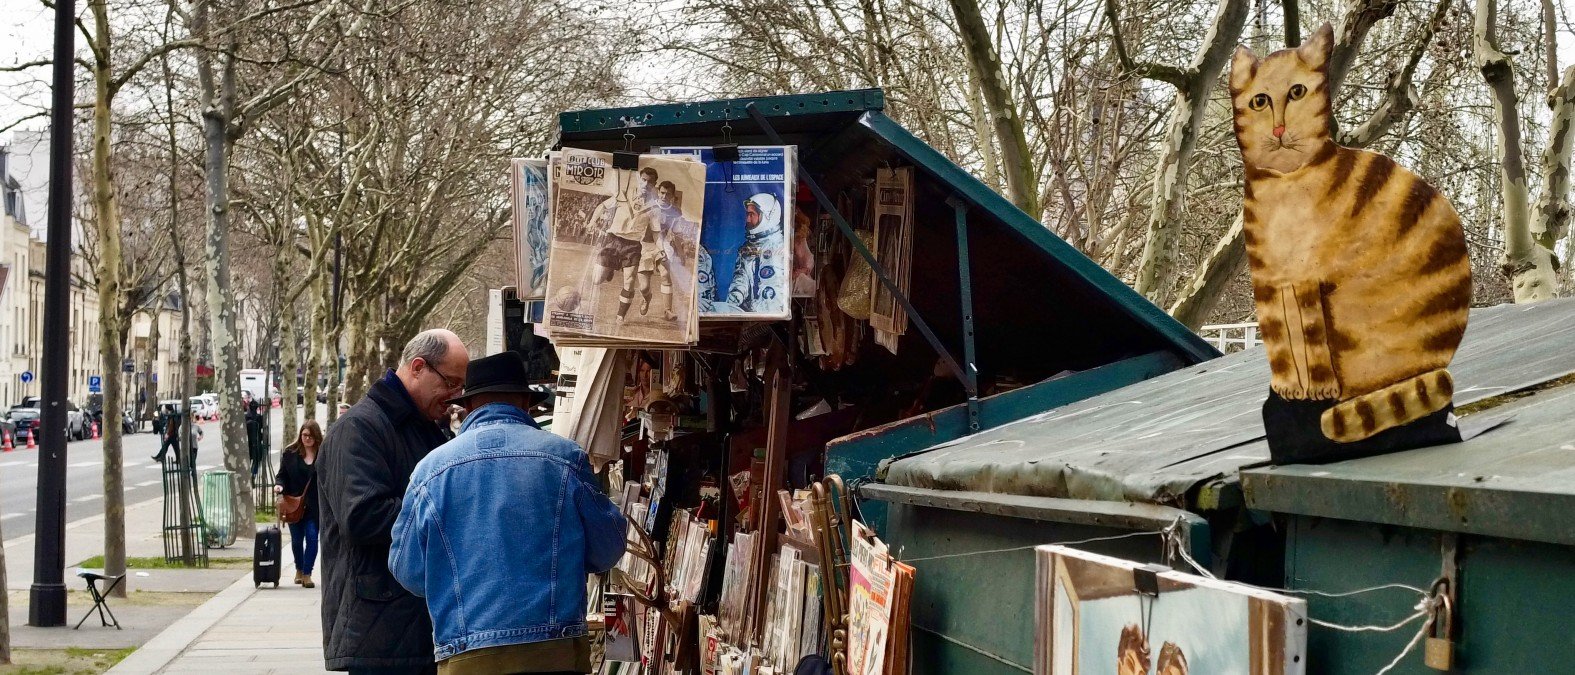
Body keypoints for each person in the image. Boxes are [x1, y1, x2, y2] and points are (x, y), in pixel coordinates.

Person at [390, 352, 627, 675]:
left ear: (469, 406)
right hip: (552, 653)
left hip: (466, 656)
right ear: (525, 403)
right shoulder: (565, 458)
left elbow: (408, 570)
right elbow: (607, 550)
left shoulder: (429, 472)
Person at [319, 329, 471, 675]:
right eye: (450, 383)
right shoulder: (358, 428)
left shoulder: (427, 427)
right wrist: (451, 509)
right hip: (381, 631)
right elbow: (363, 517)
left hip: (415, 625)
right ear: (418, 367)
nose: (456, 396)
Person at [275, 420, 323, 588]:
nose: (307, 439)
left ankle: (307, 574)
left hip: (314, 506)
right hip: (293, 505)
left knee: (312, 538)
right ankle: (299, 569)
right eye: (304, 435)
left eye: (310, 436)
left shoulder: (323, 454)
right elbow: (281, 474)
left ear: (316, 437)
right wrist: (279, 485)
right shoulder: (290, 453)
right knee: (296, 541)